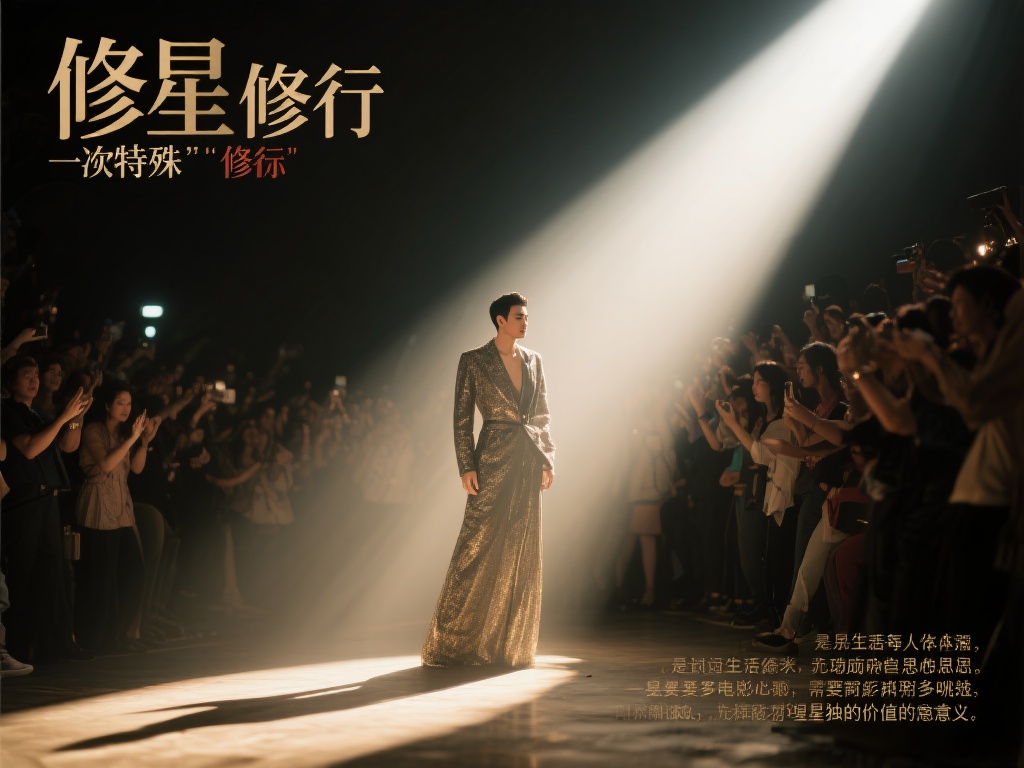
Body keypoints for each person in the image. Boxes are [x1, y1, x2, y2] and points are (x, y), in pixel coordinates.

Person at [422, 292, 555, 668]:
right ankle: (453, 642)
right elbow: (461, 418)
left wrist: (547, 459)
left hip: (528, 461)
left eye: (526, 316)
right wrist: (467, 465)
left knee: (521, 547)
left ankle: (511, 648)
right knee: (476, 545)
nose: (525, 322)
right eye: (519, 316)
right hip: (492, 459)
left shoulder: (534, 360)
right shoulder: (474, 361)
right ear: (500, 320)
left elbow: (542, 414)